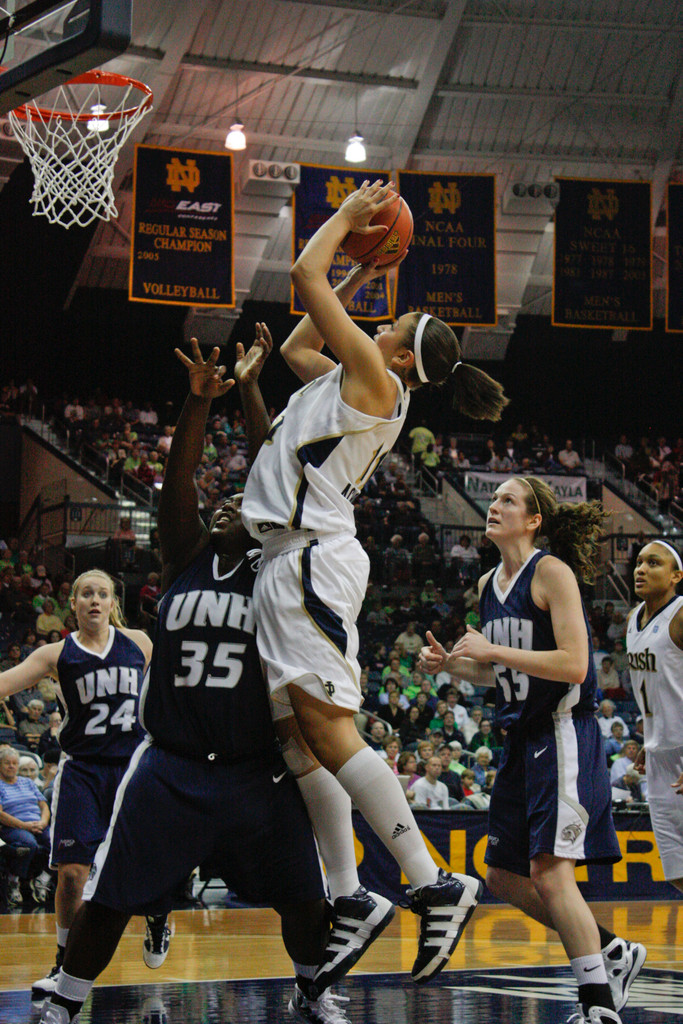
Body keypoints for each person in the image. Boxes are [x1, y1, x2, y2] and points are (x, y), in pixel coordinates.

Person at [241, 179, 508, 991]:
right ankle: (349, 894)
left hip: (311, 559)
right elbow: (295, 347)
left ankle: (429, 880)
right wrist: (360, 269)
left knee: (326, 728)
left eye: (384, 324)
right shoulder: (350, 378)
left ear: (396, 352)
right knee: (299, 741)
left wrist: (345, 227)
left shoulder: (376, 382)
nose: (373, 323)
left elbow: (303, 276)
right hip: (289, 558)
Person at [38, 330, 347, 1024]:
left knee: (304, 899)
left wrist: (253, 390)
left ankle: (315, 991)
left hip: (253, 771)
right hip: (170, 768)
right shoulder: (183, 557)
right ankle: (64, 999)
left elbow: (280, 469)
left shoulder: (275, 568)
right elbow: (178, 482)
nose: (230, 504)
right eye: (222, 500)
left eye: (246, 500)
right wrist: (199, 402)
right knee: (111, 896)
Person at [419, 476, 645, 1024]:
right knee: (501, 874)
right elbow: (496, 674)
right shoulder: (487, 584)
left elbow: (574, 663)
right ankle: (612, 951)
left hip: (564, 729)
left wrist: (493, 649)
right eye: (493, 499)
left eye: (507, 500)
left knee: (548, 869)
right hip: (521, 737)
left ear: (534, 519)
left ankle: (596, 1004)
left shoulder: (551, 572)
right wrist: (453, 665)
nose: (494, 506)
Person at [0, 569, 157, 1002]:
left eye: (102, 594)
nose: (94, 600)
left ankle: (159, 916)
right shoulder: (56, 653)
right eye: (86, 593)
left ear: (112, 603)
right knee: (71, 876)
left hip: (132, 769)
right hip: (83, 770)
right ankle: (63, 961)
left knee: (150, 866)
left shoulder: (140, 643)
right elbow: (7, 682)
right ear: (73, 603)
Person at [627, 539, 683, 893]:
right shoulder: (634, 617)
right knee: (676, 866)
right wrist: (652, 735)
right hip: (661, 755)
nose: (641, 569)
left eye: (654, 563)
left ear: (677, 575)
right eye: (639, 563)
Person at [0, 746, 52, 906]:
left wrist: (43, 822)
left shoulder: (27, 783)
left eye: (14, 763)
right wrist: (24, 826)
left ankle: (42, 877)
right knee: (29, 844)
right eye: (7, 763)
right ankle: (14, 880)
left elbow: (44, 806)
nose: (11, 766)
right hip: (13, 826)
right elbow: (0, 814)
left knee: (57, 843)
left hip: (37, 823)